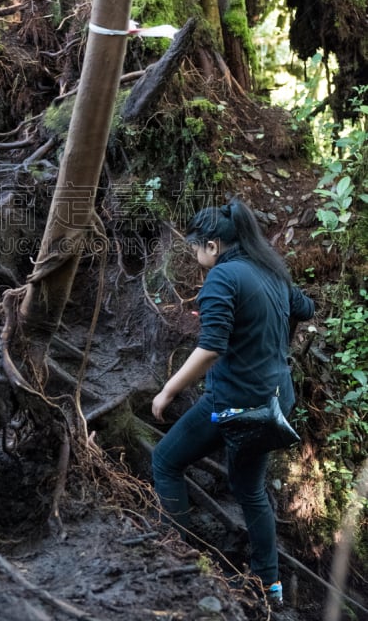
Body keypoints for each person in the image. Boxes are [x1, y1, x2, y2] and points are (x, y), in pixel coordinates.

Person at [151, 199, 315, 608]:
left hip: (236, 403)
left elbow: (210, 349)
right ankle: (269, 585)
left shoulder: (223, 279)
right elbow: (305, 307)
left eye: (194, 247)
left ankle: (177, 556)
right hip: (275, 402)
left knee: (166, 461)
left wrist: (168, 391)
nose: (193, 254)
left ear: (212, 245)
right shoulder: (269, 271)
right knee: (249, 489)